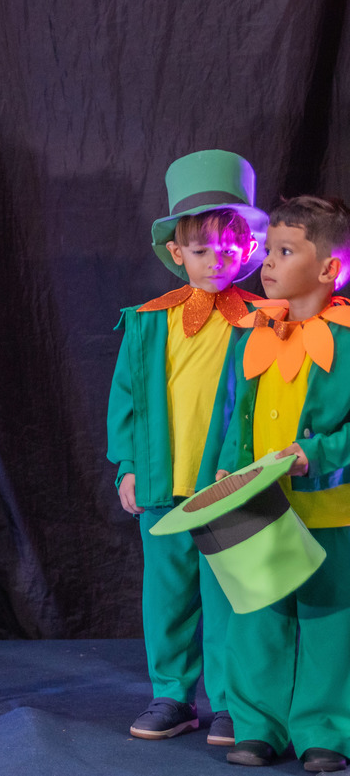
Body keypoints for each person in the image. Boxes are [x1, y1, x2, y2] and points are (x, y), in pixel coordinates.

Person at [107, 150, 268, 746]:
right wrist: (128, 466)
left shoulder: (265, 319)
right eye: (202, 250)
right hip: (163, 481)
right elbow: (127, 399)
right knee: (168, 595)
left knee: (230, 595)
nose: (216, 259)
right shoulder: (149, 320)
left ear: (248, 248)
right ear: (177, 254)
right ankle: (173, 696)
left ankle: (231, 702)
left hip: (233, 482)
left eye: (229, 247)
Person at [214, 195, 350, 771]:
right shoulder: (253, 334)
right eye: (269, 249)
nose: (267, 262)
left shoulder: (347, 338)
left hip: (330, 510)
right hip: (259, 506)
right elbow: (234, 414)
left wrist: (315, 454)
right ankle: (257, 726)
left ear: (329, 268)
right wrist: (227, 469)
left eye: (286, 251)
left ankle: (324, 731)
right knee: (259, 619)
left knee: (328, 622)